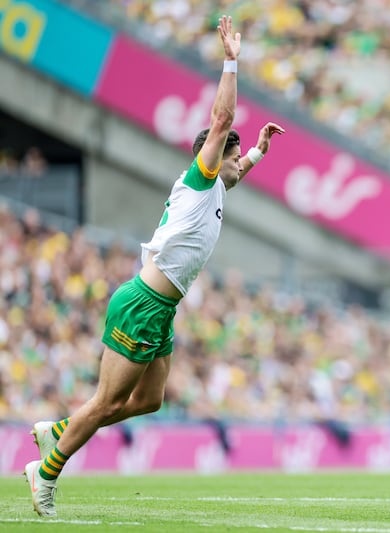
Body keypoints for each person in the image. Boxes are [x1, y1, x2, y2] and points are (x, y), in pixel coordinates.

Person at [24, 16, 285, 518]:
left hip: (159, 311)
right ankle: (48, 469)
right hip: (143, 304)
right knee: (104, 404)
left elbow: (236, 170)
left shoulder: (214, 188)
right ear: (214, 156)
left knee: (148, 402)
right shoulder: (201, 179)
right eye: (233, 156)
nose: (237, 167)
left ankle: (57, 430)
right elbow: (222, 121)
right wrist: (232, 61)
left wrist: (257, 152)